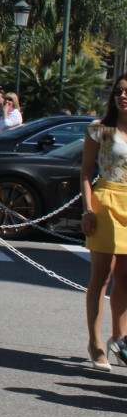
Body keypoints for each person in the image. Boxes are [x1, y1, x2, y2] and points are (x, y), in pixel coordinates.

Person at [78, 76, 127, 371]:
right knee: (102, 275)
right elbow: (85, 172)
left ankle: (120, 339)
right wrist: (88, 209)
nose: (124, 96)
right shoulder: (99, 130)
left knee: (126, 276)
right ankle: (95, 344)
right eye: (120, 91)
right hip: (106, 199)